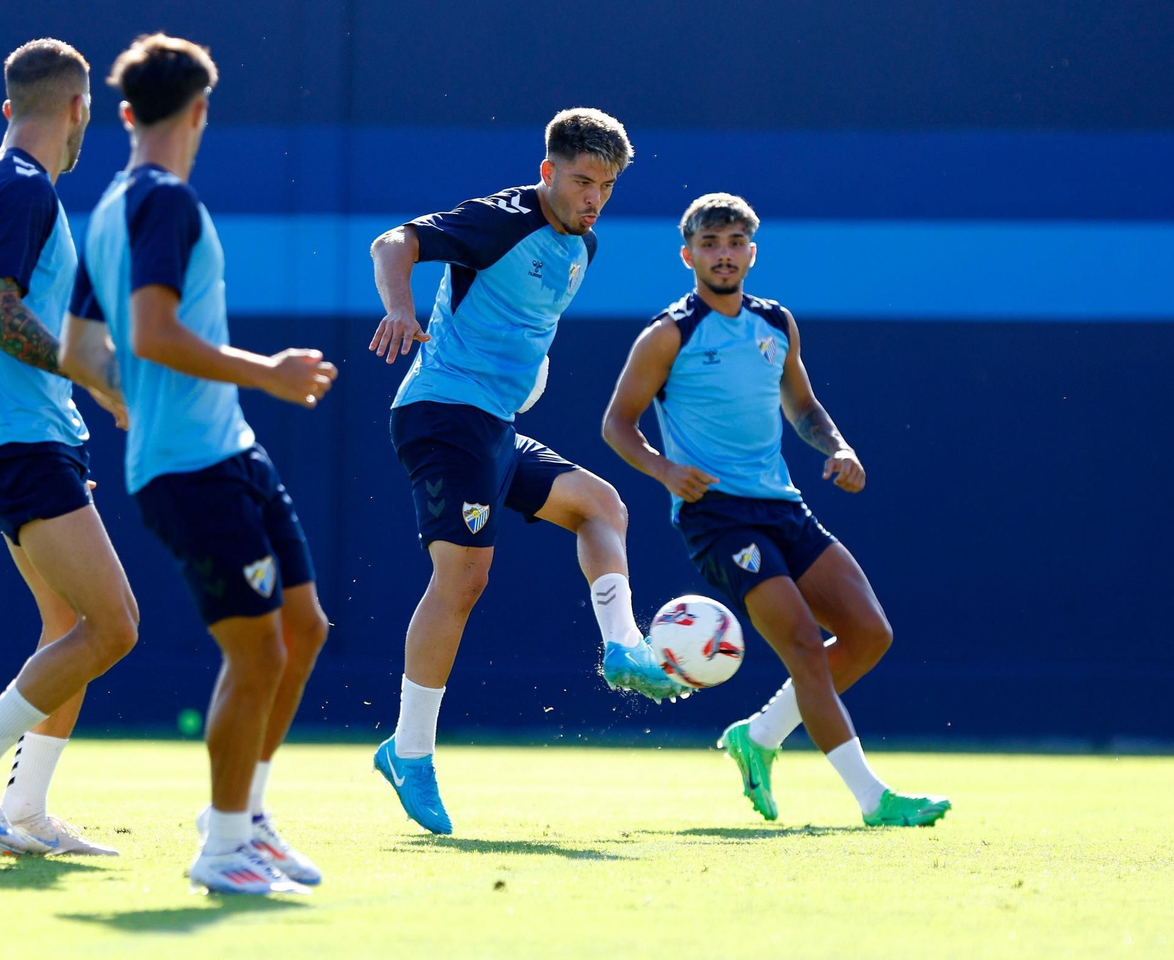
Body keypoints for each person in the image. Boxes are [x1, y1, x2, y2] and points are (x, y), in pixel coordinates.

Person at [70, 33, 337, 894]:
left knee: (304, 632)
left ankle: (246, 819)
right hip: (191, 468)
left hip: (230, 453)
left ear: (123, 113)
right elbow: (147, 332)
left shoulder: (111, 205)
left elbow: (80, 345)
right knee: (256, 657)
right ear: (200, 113)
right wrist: (270, 372)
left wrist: (126, 395)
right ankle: (221, 848)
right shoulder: (163, 204)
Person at [367, 108, 678, 837]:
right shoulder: (503, 218)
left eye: (605, 185)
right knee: (465, 578)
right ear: (547, 172)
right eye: (580, 180)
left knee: (602, 506)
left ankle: (623, 645)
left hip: (492, 426)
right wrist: (400, 307)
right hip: (443, 413)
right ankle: (408, 751)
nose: (592, 196)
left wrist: (527, 374)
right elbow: (395, 242)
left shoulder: (584, 246)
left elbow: (518, 324)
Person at [602, 192, 950, 827]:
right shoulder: (667, 335)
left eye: (734, 243)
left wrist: (839, 447)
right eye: (710, 244)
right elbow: (617, 426)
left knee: (870, 634)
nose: (724, 255)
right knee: (804, 648)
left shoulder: (776, 324)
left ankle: (758, 736)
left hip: (783, 506)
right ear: (688, 256)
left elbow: (803, 406)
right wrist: (665, 470)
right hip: (717, 515)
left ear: (752, 253)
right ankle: (875, 800)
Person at [0, 38, 139, 856]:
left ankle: (26, 808)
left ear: (11, 107)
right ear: (81, 109)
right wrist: (88, 365)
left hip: (8, 437)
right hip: (23, 444)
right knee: (114, 626)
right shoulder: (23, 189)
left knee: (66, 626)